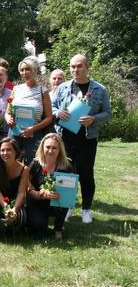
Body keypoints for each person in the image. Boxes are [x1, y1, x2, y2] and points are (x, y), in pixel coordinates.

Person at [51, 54, 111, 223]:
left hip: (87, 138)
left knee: (86, 174)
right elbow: (52, 106)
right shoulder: (62, 88)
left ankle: (86, 209)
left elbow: (107, 113)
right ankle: (67, 206)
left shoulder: (100, 89)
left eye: (79, 66)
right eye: (72, 67)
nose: (75, 70)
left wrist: (94, 119)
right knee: (65, 173)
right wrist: (58, 113)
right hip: (65, 138)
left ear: (87, 67)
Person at [5, 56, 52, 164]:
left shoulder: (43, 91)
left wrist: (32, 129)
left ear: (35, 70)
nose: (24, 72)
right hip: (15, 132)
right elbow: (8, 112)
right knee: (10, 163)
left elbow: (49, 118)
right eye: (22, 70)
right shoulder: (16, 89)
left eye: (28, 69)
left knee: (32, 165)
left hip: (34, 135)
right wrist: (8, 119)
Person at [26, 133, 72, 239]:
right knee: (38, 229)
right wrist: (39, 194)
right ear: (42, 147)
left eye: (54, 148)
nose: (50, 151)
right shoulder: (35, 163)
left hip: (57, 201)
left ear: (60, 149)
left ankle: (58, 229)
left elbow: (71, 189)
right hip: (38, 200)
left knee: (64, 200)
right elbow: (26, 184)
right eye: (48, 147)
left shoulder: (67, 165)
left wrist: (57, 192)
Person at [0, 137, 28, 241]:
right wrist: (7, 208)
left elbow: (21, 193)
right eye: (2, 150)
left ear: (16, 151)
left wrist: (14, 210)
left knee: (21, 216)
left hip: (12, 199)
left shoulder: (24, 169)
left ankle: (11, 228)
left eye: (9, 150)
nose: (5, 153)